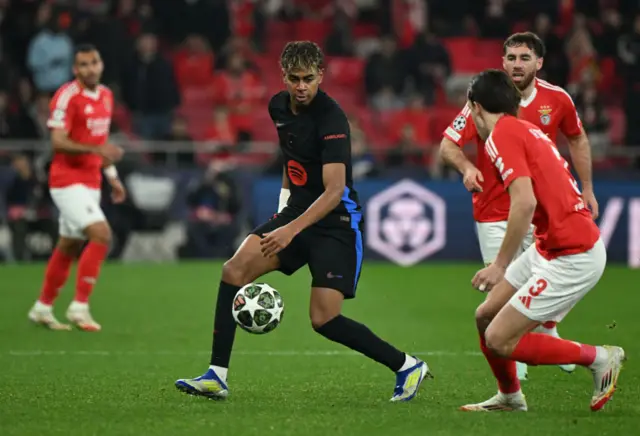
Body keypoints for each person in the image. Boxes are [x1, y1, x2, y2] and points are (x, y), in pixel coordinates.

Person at [175, 41, 431, 402]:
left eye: (308, 79)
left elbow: (334, 190)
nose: (301, 86)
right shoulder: (278, 106)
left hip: (336, 222)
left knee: (324, 319)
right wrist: (284, 209)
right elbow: (291, 157)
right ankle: (217, 375)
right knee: (233, 271)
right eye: (294, 79)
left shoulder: (332, 119)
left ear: (320, 76)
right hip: (296, 212)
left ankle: (406, 366)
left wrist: (289, 229)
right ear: (283, 77)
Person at [459, 69, 624, 412]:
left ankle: (599, 358)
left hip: (573, 254)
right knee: (485, 316)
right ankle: (510, 397)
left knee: (499, 339)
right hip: (551, 246)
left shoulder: (500, 136)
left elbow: (525, 201)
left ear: (474, 108)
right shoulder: (525, 128)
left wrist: (499, 265)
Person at [439, 32, 599, 380]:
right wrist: (467, 167)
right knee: (498, 301)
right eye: (510, 58)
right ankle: (514, 376)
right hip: (495, 211)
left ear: (538, 63)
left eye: (524, 58)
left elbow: (576, 138)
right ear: (502, 62)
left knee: (540, 280)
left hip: (540, 213)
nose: (516, 64)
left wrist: (587, 187)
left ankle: (549, 337)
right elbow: (448, 144)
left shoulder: (555, 100)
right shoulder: (482, 102)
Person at [27, 44, 126, 332]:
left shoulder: (106, 96)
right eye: (83, 65)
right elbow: (58, 141)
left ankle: (42, 307)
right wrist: (97, 149)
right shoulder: (66, 96)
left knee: (68, 245)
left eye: (93, 62)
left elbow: (101, 143)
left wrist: (112, 176)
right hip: (66, 181)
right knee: (101, 233)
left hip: (91, 182)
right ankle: (79, 306)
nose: (90, 69)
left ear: (101, 64)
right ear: (75, 69)